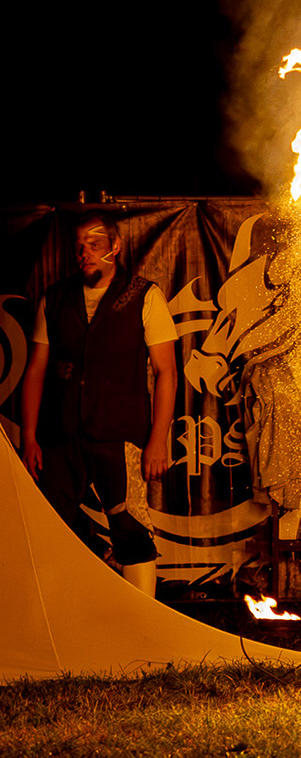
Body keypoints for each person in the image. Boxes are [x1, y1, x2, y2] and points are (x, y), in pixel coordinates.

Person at [18, 214, 177, 597]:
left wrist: (158, 441)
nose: (85, 254)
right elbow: (36, 370)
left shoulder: (145, 295)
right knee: (50, 527)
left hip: (119, 435)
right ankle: (61, 624)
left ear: (115, 247)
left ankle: (142, 625)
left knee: (131, 529)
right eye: (79, 246)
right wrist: (29, 436)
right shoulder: (54, 299)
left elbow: (167, 372)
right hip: (60, 436)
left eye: (95, 245)